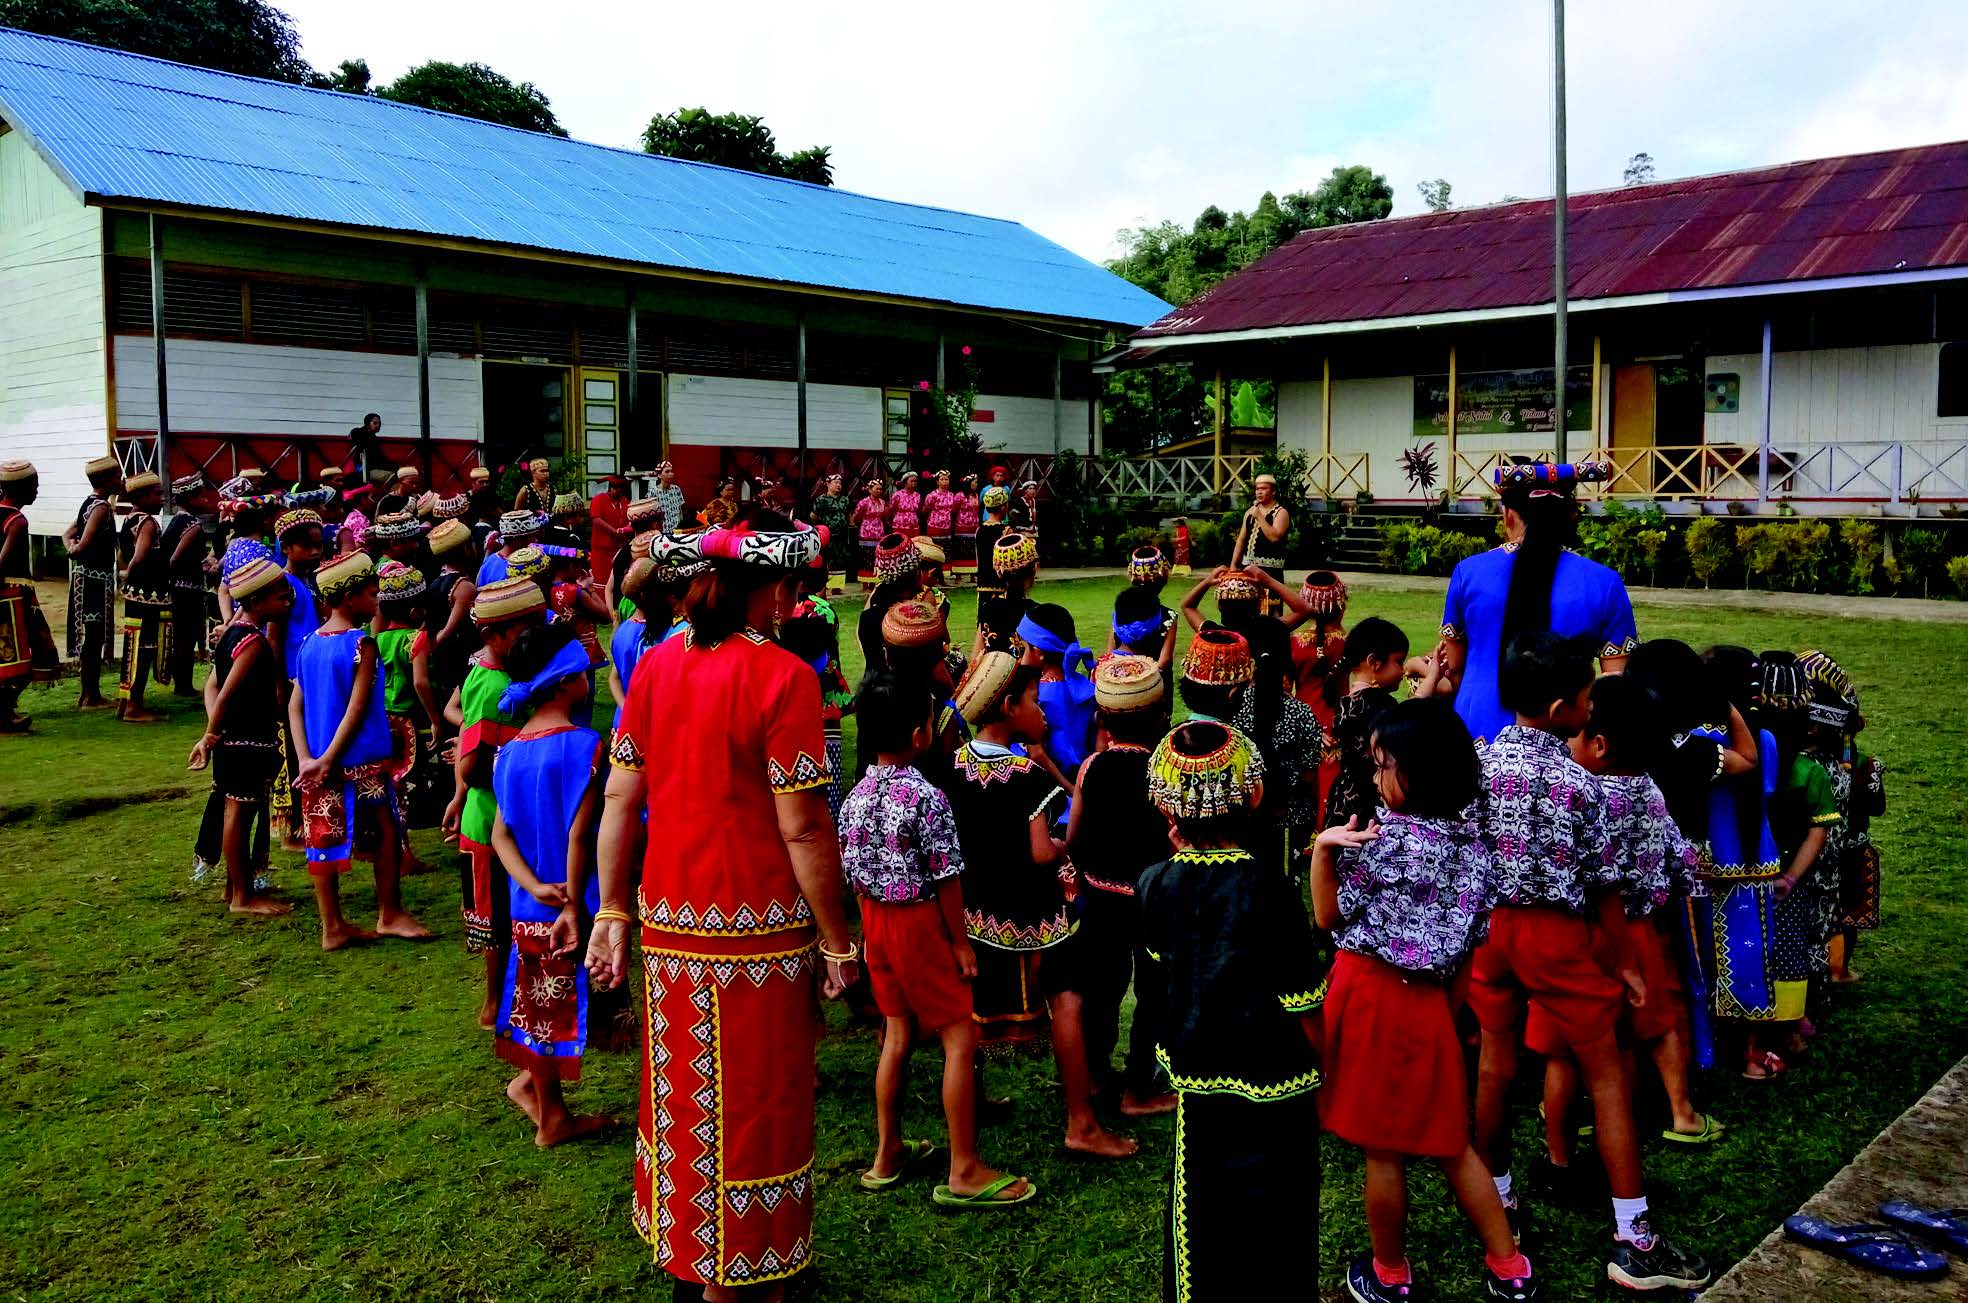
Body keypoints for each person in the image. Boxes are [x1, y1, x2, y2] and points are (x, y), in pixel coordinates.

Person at [586, 511, 862, 1301]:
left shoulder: (655, 668)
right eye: (791, 589)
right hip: (758, 931)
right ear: (772, 592)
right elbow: (802, 827)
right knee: (757, 1108)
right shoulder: (784, 676)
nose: (794, 602)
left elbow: (620, 796)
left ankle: (696, 1257)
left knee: (687, 1100)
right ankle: (738, 1275)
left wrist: (613, 909)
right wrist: (838, 939)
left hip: (673, 926)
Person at [1457, 632, 1710, 1292]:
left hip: (1490, 932)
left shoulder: (1476, 762)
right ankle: (1634, 1236)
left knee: (1494, 1064)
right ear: (1563, 708)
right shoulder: (1581, 784)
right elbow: (1604, 888)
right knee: (1607, 1072)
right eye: (1588, 696)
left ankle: (1500, 1197)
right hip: (1556, 936)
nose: (1592, 706)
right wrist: (1625, 964)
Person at [1309, 698, 1534, 1303]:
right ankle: (1510, 1266)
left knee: (1382, 1149)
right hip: (1433, 1006)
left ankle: (1389, 1273)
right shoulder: (1478, 849)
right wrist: (1446, 1016)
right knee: (1451, 1143)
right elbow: (1467, 952)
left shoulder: (1379, 844)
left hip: (1368, 998)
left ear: (1418, 771)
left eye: (1383, 766)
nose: (1376, 777)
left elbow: (1327, 916)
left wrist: (1324, 850)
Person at [1136, 720, 1323, 1303]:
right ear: (1254, 792)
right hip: (1277, 1076)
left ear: (1166, 807)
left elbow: (1164, 971)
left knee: (1202, 1204)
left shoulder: (1155, 883)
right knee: (1280, 1208)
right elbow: (1301, 996)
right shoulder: (1269, 884)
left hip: (1198, 1072)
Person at [843, 673, 1034, 1208]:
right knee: (958, 1038)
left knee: (897, 1033)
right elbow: (947, 879)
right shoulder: (927, 797)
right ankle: (964, 1168)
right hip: (921, 923)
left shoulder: (856, 796)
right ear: (920, 735)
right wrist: (960, 943)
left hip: (875, 922)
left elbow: (853, 872)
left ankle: (887, 1153)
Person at [1530, 675, 1719, 1206]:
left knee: (1566, 1051)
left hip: (1583, 935)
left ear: (1599, 743)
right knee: (1651, 1030)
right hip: (1640, 933)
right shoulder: (1649, 789)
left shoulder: (1578, 792)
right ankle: (1679, 1112)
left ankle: (1561, 1153)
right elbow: (1679, 854)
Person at [947, 652, 1135, 1159]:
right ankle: (1081, 1122)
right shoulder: (1026, 775)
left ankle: (973, 1102)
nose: (1043, 711)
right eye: (1034, 701)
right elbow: (1038, 853)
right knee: (1067, 1000)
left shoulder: (955, 764)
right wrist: (1063, 846)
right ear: (1009, 706)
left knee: (968, 1015)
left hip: (974, 912)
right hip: (1032, 915)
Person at [488, 622, 628, 1148]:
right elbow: (578, 833)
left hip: (528, 902)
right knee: (553, 1004)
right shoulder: (586, 746)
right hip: (571, 901)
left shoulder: (509, 751)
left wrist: (533, 886)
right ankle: (552, 1119)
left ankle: (537, 1093)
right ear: (568, 680)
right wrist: (567, 899)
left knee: (537, 1003)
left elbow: (500, 835)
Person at [1433, 461, 1636, 743]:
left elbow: (1455, 667)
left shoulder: (1468, 573)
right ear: (1571, 515)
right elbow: (1615, 681)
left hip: (1477, 729)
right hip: (1565, 735)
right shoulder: (1604, 582)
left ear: (1507, 514)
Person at [289, 553, 432, 950]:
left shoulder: (309, 643)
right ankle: (389, 913)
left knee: (322, 837)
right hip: (359, 760)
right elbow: (356, 708)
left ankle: (332, 925)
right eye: (372, 593)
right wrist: (329, 758)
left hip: (317, 763)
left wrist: (307, 759)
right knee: (386, 830)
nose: (377, 600)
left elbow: (295, 706)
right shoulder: (361, 644)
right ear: (351, 597)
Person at [1064, 655, 1176, 1117]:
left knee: (1101, 989)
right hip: (1152, 901)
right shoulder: (1164, 771)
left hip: (1101, 899)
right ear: (1161, 716)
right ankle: (1138, 1089)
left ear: (1101, 720)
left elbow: (1074, 836)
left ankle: (1094, 1075)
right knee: (1153, 994)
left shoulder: (1091, 767)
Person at [445, 577, 546, 1026]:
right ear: (492, 635)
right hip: (491, 820)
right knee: (498, 922)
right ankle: (494, 1006)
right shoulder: (494, 686)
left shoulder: (490, 673)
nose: (533, 638)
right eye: (525, 630)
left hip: (488, 813)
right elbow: (473, 764)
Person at [185, 556, 295, 918]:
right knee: (239, 813)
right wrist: (210, 734)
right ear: (257, 600)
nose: (288, 600)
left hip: (235, 739)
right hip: (247, 741)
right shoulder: (252, 642)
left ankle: (235, 886)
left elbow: (212, 688)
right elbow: (226, 693)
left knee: (236, 810)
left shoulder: (231, 634)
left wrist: (216, 731)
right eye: (280, 595)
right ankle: (242, 897)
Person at [1759, 651, 1845, 1067]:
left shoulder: (1744, 759)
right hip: (1788, 882)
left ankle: (1751, 1028)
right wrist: (1792, 877)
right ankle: (1790, 1029)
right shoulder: (1810, 771)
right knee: (1790, 953)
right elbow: (1818, 829)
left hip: (1743, 876)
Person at [375, 562, 443, 843]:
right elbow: (420, 682)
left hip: (384, 718)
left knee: (393, 781)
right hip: (411, 719)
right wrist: (436, 719)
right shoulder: (417, 639)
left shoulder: (377, 639)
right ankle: (403, 849)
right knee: (409, 780)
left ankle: (398, 845)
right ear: (415, 611)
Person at [1322, 618, 1411, 831]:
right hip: (1370, 802)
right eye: (1399, 662)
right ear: (1374, 662)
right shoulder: (1379, 704)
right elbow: (1406, 731)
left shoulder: (1346, 701)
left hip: (1343, 799)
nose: (1403, 671)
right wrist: (1430, 679)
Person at [0, 462, 60, 731]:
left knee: (11, 657)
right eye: (34, 486)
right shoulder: (17, 521)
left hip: (11, 596)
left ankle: (6, 711)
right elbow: (3, 561)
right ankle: (4, 713)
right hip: (13, 597)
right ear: (21, 488)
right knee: (25, 656)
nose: (37, 491)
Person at [64, 453, 124, 709]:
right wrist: (75, 550)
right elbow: (84, 543)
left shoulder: (88, 504)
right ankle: (90, 696)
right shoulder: (101, 508)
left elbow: (68, 533)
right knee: (93, 637)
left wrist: (71, 547)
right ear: (106, 480)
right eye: (117, 476)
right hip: (94, 581)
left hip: (86, 579)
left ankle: (89, 694)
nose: (121, 481)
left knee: (92, 636)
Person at [1291, 570, 1350, 812]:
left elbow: (1286, 690)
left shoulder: (1294, 643)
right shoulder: (1347, 643)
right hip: (1338, 725)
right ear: (1341, 606)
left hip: (1302, 723)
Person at [114, 473, 172, 723]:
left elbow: (122, 555)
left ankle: (126, 701)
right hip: (149, 595)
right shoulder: (147, 522)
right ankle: (134, 707)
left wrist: (125, 577)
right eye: (157, 493)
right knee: (145, 647)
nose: (162, 498)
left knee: (133, 644)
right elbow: (139, 555)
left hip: (136, 594)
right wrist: (129, 573)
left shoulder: (129, 519)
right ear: (142, 497)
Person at [1017, 603, 1097, 779]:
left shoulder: (1036, 696)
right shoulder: (1086, 687)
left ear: (1039, 653)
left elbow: (1036, 754)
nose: (1021, 657)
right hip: (1085, 774)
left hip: (1054, 781)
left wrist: (1068, 788)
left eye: (1024, 649)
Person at [163, 472, 214, 697]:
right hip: (187, 590)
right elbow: (174, 558)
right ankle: (183, 685)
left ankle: (181, 683)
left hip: (177, 587)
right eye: (201, 496)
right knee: (187, 637)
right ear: (190, 498)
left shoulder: (176, 521)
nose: (205, 499)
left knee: (181, 637)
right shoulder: (192, 525)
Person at [424, 519, 481, 704]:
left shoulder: (434, 583)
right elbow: (447, 632)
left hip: (442, 666)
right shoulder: (464, 588)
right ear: (466, 549)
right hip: (459, 664)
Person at [1230, 472, 1291, 614]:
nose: (1259, 492)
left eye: (1264, 488)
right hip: (1247, 570)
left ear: (1273, 492)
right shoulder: (1249, 512)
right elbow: (1241, 540)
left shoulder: (1281, 513)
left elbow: (1274, 537)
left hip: (1270, 572)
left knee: (1270, 611)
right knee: (1246, 610)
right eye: (1257, 489)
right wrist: (1233, 566)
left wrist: (1259, 516)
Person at [975, 531, 1037, 657]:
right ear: (1035, 568)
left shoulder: (987, 609)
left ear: (999, 573)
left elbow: (976, 658)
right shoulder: (1038, 613)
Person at [807, 472, 854, 594]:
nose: (838, 485)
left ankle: (837, 587)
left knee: (840, 561)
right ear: (828, 484)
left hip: (841, 536)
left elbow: (849, 515)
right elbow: (813, 516)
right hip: (827, 536)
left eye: (840, 483)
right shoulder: (821, 500)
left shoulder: (844, 499)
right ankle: (824, 587)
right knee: (827, 561)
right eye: (836, 483)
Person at [477, 510, 542, 588]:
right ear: (517, 540)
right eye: (532, 536)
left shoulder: (489, 561)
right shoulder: (518, 567)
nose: (536, 540)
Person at [588, 475, 632, 584]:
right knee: (602, 578)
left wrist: (626, 529)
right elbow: (596, 520)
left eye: (621, 491)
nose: (619, 493)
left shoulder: (624, 500)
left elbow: (629, 517)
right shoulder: (599, 499)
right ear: (611, 488)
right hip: (602, 547)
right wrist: (614, 532)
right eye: (617, 490)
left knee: (618, 577)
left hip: (620, 546)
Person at [974, 482, 1012, 599]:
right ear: (1003, 507)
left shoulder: (979, 530)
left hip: (982, 585)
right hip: (1000, 586)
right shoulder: (1006, 531)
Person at [851, 477, 889, 586]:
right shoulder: (864, 502)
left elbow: (885, 516)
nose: (879, 491)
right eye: (877, 489)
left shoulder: (882, 502)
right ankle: (865, 583)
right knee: (866, 559)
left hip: (879, 533)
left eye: (880, 489)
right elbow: (856, 516)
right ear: (870, 489)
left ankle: (873, 582)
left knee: (876, 558)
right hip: (866, 533)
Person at [951, 473, 980, 584]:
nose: (976, 484)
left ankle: (973, 575)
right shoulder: (959, 495)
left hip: (974, 527)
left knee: (972, 552)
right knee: (960, 552)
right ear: (969, 483)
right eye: (975, 482)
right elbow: (954, 509)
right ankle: (958, 576)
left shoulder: (976, 495)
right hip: (961, 527)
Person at [645, 461, 687, 537]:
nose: (670, 474)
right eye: (667, 472)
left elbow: (680, 510)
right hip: (662, 533)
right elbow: (650, 517)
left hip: (677, 532)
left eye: (671, 471)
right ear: (659, 475)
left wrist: (682, 527)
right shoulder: (653, 493)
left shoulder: (676, 489)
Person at [345, 413, 383, 479]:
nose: (378, 425)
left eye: (379, 423)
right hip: (362, 469)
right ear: (368, 424)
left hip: (372, 467)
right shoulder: (357, 432)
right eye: (375, 423)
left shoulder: (375, 439)